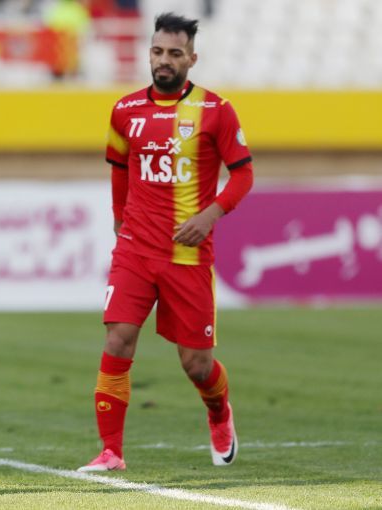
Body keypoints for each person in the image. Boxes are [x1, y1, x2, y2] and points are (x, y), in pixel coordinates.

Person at [78, 12, 253, 472]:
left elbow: (243, 174)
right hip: (135, 249)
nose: (164, 60)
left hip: (187, 255)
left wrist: (210, 215)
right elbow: (119, 169)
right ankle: (111, 451)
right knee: (118, 339)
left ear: (192, 59)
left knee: (197, 365)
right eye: (157, 51)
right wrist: (119, 220)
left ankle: (219, 412)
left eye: (175, 53)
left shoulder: (216, 110)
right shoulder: (125, 110)